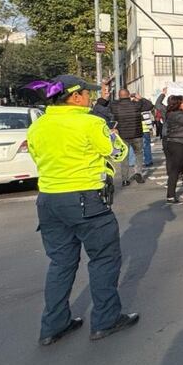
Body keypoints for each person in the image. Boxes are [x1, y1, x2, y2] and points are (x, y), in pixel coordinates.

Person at [24, 75, 139, 345]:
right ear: (75, 97)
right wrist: (111, 133)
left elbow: (36, 157)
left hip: (49, 201)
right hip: (86, 199)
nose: (89, 97)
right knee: (103, 260)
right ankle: (106, 320)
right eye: (87, 93)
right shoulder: (90, 123)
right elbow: (119, 153)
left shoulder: (37, 126)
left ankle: (53, 325)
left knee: (60, 263)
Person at [93, 85, 151, 186]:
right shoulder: (136, 105)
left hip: (122, 135)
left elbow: (99, 107)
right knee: (138, 154)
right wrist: (140, 98)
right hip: (137, 134)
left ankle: (125, 179)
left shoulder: (114, 105)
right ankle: (138, 173)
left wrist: (105, 98)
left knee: (124, 157)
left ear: (119, 96)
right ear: (129, 95)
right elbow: (150, 106)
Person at [136, 93, 154, 168]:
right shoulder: (143, 106)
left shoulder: (131, 106)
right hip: (145, 129)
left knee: (135, 147)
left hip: (136, 129)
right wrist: (141, 98)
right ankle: (148, 161)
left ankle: (133, 162)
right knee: (146, 145)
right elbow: (150, 105)